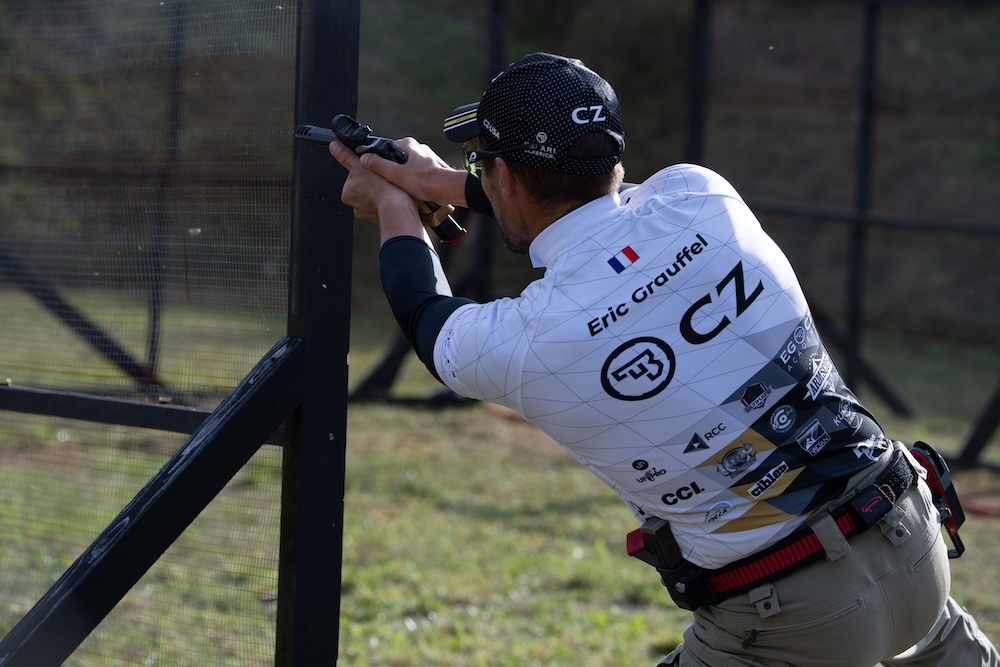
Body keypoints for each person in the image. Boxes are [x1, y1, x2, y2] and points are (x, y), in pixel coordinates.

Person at [329, 52, 999, 667]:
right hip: (913, 544)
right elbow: (588, 204)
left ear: (502, 174)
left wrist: (393, 202)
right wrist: (440, 181)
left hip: (784, 613)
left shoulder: (528, 342)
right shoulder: (703, 197)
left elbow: (425, 312)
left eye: (484, 165)